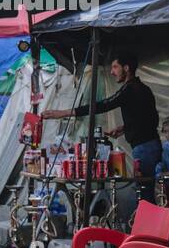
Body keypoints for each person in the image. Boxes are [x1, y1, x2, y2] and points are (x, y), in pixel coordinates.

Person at [42, 51, 161, 203]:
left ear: (126, 68)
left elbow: (103, 105)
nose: (112, 72)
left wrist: (65, 112)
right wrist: (125, 128)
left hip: (145, 148)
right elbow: (147, 118)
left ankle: (148, 226)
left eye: (115, 67)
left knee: (144, 194)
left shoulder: (130, 89)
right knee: (145, 191)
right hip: (149, 145)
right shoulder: (142, 89)